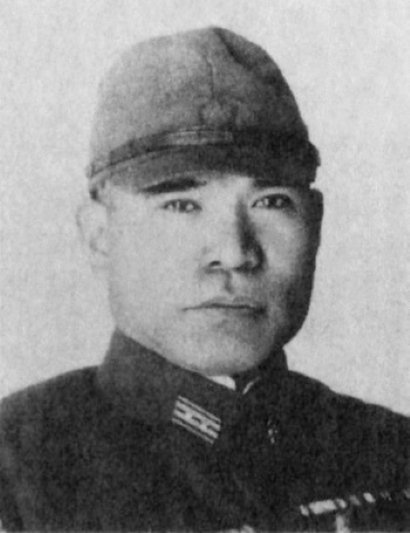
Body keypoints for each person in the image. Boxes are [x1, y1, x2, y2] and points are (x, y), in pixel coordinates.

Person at [0, 27, 408, 532]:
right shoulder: (17, 473)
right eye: (181, 204)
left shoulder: (392, 453)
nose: (235, 253)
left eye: (271, 202)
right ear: (99, 236)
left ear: (316, 225)